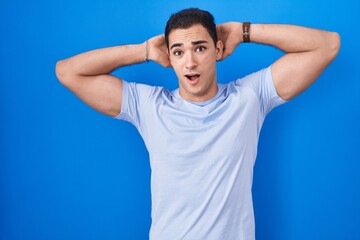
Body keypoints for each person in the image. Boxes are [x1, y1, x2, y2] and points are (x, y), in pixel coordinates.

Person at [55, 8, 340, 240]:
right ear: (169, 58)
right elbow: (67, 72)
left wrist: (243, 31)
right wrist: (143, 51)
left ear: (218, 50)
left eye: (200, 48)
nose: (189, 62)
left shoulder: (250, 97)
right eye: (178, 52)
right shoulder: (149, 106)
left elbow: (327, 45)